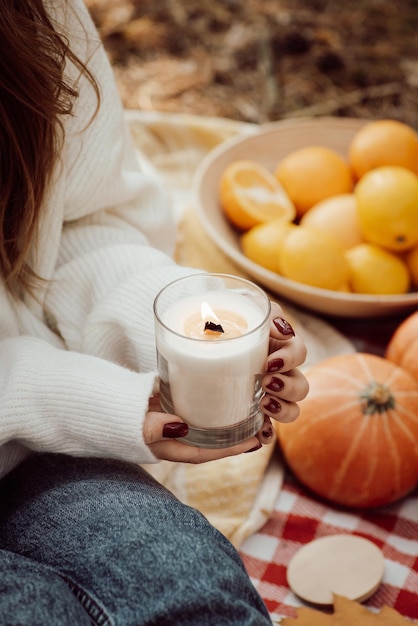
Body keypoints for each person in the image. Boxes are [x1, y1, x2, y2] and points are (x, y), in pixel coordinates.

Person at [0, 0, 309, 624]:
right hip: (33, 414)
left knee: (195, 588)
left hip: (22, 450)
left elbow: (81, 218)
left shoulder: (34, 17)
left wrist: (181, 326)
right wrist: (85, 401)